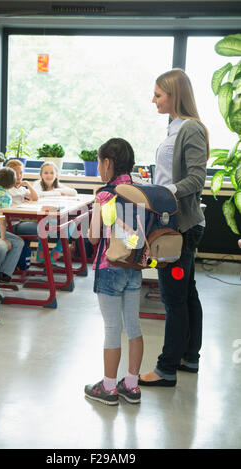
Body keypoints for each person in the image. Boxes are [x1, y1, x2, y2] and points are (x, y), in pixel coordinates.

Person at [139, 68, 209, 387]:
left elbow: (196, 179)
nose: (153, 100)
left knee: (173, 298)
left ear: (174, 94)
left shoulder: (191, 128)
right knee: (186, 292)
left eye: (158, 94)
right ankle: (189, 357)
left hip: (180, 226)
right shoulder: (174, 128)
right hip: (174, 222)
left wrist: (164, 192)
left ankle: (166, 368)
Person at [84, 138, 143, 406]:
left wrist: (91, 230)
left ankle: (108, 388)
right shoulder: (140, 190)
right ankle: (131, 384)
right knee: (133, 326)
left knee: (111, 328)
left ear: (107, 162)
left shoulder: (105, 195)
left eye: (99, 162)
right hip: (134, 266)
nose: (98, 167)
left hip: (109, 267)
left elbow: (95, 238)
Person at [33, 162, 77, 262]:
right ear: (41, 175)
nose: (49, 175)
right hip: (40, 218)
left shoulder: (58, 185)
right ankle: (41, 252)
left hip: (54, 218)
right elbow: (38, 194)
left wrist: (57, 191)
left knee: (73, 223)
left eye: (52, 173)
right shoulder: (37, 184)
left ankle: (56, 252)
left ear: (56, 175)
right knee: (45, 223)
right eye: (46, 173)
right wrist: (57, 192)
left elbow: (73, 192)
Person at [5, 159, 39, 236]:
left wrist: (27, 184)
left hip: (22, 221)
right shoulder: (7, 188)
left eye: (21, 173)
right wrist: (20, 206)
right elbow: (6, 207)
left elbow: (35, 198)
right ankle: (41, 247)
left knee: (44, 224)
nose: (19, 176)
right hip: (12, 224)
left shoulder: (21, 189)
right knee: (43, 228)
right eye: (15, 173)